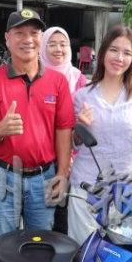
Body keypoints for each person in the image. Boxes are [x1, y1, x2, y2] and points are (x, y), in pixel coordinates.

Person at [0, 9, 75, 241]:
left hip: (44, 177)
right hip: (4, 176)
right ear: (7, 38)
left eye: (34, 33)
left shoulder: (58, 81)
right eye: (20, 33)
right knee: (2, 243)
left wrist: (61, 174)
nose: (28, 39)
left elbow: (63, 130)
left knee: (40, 244)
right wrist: (0, 129)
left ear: (41, 39)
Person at [68, 26, 132, 244]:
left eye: (127, 53)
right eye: (114, 50)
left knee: (124, 255)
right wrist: (80, 127)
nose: (119, 58)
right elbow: (73, 144)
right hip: (86, 185)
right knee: (83, 253)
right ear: (103, 52)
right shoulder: (83, 95)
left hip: (128, 187)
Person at [39, 26, 87, 235]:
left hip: (71, 155)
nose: (58, 49)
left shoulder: (78, 78)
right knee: (40, 210)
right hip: (42, 155)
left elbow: (80, 117)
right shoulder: (35, 74)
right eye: (52, 44)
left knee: (63, 212)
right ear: (43, 48)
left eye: (63, 44)